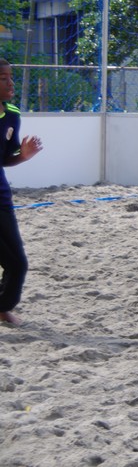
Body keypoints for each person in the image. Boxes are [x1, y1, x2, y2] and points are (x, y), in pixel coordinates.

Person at [0, 59, 43, 326]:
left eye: (11, 77)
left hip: (2, 198)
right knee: (15, 264)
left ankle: (2, 307)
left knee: (18, 264)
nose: (11, 83)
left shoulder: (12, 114)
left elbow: (5, 158)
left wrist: (24, 155)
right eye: (3, 78)